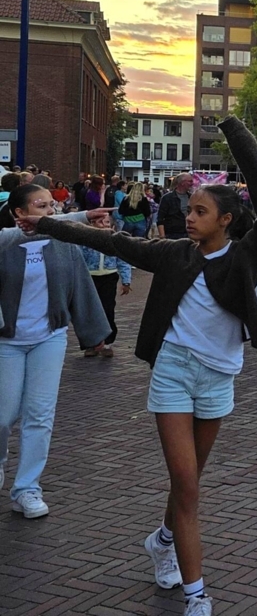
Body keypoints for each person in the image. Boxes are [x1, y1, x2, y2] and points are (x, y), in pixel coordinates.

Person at [29, 117, 257, 616]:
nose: (190, 217)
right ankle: (197, 595)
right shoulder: (173, 254)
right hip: (173, 372)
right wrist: (47, 223)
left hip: (219, 376)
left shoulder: (249, 254)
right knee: (186, 485)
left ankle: (163, 540)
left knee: (189, 484)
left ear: (226, 220)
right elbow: (115, 244)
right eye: (190, 208)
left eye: (201, 211)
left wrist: (233, 130)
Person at [1, 185, 111, 519]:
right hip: (6, 340)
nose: (51, 212)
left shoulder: (62, 241)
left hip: (49, 337)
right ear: (18, 213)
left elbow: (79, 283)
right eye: (41, 206)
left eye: (53, 206)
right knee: (3, 415)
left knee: (40, 414)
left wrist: (93, 333)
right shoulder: (5, 240)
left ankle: (27, 488)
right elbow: (12, 236)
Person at [79, 212, 132, 358]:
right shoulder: (86, 241)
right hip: (90, 277)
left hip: (109, 277)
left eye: (107, 222)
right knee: (89, 310)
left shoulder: (115, 241)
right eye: (100, 222)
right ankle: (91, 343)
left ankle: (108, 342)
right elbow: (78, 260)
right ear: (92, 224)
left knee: (108, 309)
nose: (104, 225)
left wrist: (126, 280)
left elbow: (123, 260)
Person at [158, 173, 195, 240]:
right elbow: (160, 218)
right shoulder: (167, 198)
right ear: (182, 183)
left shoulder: (192, 197)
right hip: (171, 235)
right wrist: (162, 237)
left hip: (188, 233)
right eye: (190, 181)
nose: (192, 183)